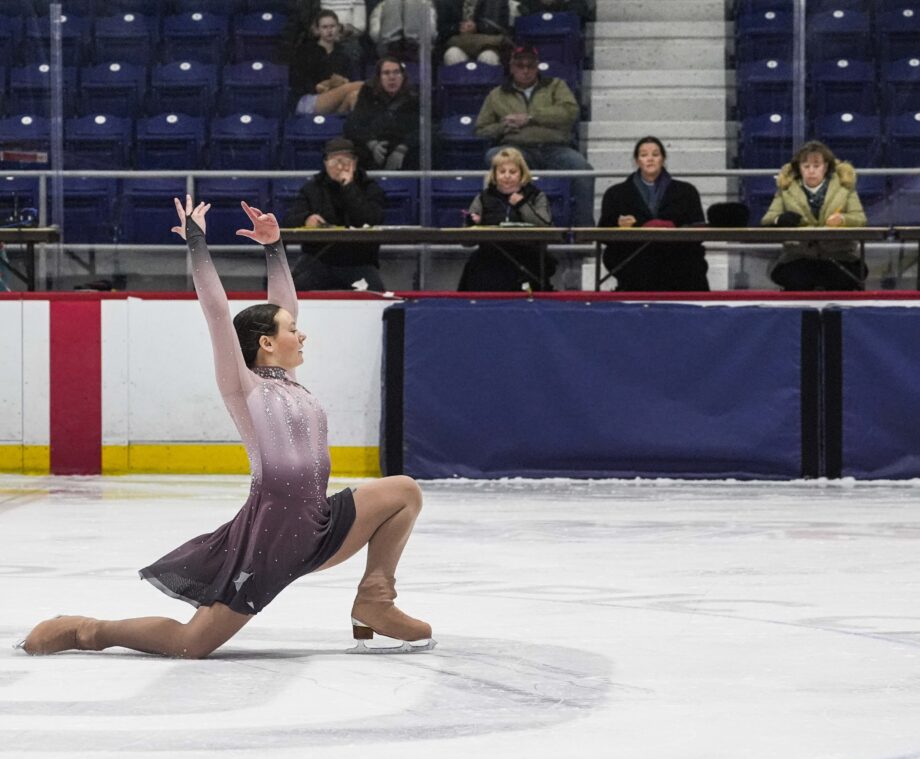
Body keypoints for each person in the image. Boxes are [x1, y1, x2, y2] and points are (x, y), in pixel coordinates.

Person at [18, 196, 433, 658]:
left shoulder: (290, 382)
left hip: (320, 522)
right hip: (270, 539)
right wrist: (197, 244)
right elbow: (217, 313)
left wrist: (275, 247)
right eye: (292, 329)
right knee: (191, 644)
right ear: (266, 343)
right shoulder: (244, 388)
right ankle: (87, 630)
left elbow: (283, 302)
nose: (302, 333)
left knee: (404, 492)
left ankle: (375, 601)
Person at [475, 45, 594, 226]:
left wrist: (531, 118)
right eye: (520, 65)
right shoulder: (497, 94)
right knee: (494, 157)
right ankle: (499, 222)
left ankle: (584, 230)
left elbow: (569, 112)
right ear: (511, 67)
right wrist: (503, 127)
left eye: (530, 65)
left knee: (583, 170)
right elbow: (481, 129)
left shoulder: (555, 85)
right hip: (517, 150)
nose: (525, 70)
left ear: (537, 66)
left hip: (555, 148)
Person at [598, 136, 708, 291]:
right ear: (637, 161)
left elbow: (699, 228)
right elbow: (603, 231)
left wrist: (674, 229)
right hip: (634, 254)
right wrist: (619, 225)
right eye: (644, 155)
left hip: (676, 253)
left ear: (663, 159)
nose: (650, 159)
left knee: (691, 259)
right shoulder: (616, 193)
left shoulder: (686, 191)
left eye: (655, 155)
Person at [283, 137, 388, 291]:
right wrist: (306, 219)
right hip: (318, 260)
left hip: (359, 262)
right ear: (325, 163)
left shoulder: (370, 188)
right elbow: (288, 220)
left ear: (355, 162)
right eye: (334, 161)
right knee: (293, 290)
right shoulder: (312, 188)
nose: (339, 166)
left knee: (376, 293)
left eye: (345, 161)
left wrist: (349, 187)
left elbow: (371, 219)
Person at [761, 140, 868, 291]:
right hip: (798, 257)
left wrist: (843, 219)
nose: (811, 171)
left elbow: (860, 219)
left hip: (839, 257)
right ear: (799, 168)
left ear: (826, 167)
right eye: (806, 166)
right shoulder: (785, 189)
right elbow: (767, 220)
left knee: (841, 278)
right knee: (796, 278)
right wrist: (780, 220)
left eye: (816, 166)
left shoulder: (845, 187)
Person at [459, 146, 554, 291]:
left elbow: (546, 227)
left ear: (522, 174)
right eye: (502, 172)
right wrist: (472, 223)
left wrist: (522, 204)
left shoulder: (536, 196)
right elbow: (466, 242)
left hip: (526, 255)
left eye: (513, 172)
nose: (507, 176)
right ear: (495, 174)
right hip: (491, 256)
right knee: (476, 264)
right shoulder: (483, 198)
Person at [343, 57, 420, 170]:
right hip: (371, 150)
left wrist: (403, 148)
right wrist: (372, 144)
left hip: (405, 151)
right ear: (379, 78)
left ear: (403, 76)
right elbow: (353, 124)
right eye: (386, 73)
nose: (392, 77)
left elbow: (428, 127)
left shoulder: (414, 97)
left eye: (396, 72)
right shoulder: (368, 94)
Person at [288, 9, 365, 116]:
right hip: (308, 100)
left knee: (355, 96)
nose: (329, 30)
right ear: (317, 30)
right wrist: (319, 87)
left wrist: (344, 81)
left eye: (332, 26)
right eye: (325, 27)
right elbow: (297, 81)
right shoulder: (305, 51)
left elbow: (350, 79)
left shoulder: (344, 55)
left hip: (336, 101)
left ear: (338, 28)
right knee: (360, 86)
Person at [442, 1, 517, 66]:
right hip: (458, 43)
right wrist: (458, 27)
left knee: (489, 57)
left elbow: (497, 27)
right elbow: (442, 28)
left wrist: (477, 27)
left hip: (487, 44)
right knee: (452, 55)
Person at [369, 0, 437, 60]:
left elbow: (431, 33)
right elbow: (375, 34)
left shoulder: (425, 4)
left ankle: (411, 43)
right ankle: (394, 43)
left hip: (419, 49)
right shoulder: (384, 5)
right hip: (388, 50)